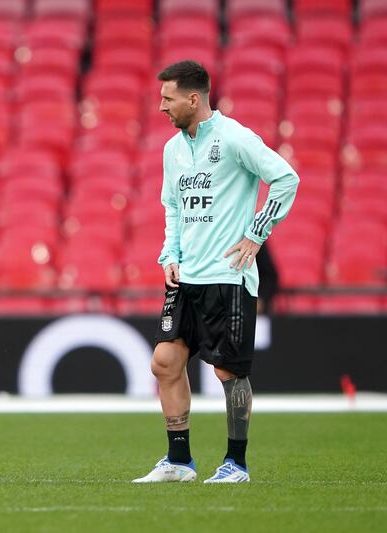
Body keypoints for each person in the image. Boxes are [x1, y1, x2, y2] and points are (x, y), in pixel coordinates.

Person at [132, 61, 299, 484]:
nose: (161, 107)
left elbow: (285, 179)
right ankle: (179, 461)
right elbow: (172, 205)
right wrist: (169, 253)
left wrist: (256, 234)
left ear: (193, 98)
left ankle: (236, 464)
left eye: (167, 99)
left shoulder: (235, 138)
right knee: (165, 362)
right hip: (185, 277)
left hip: (229, 277)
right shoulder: (173, 149)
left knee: (229, 373)